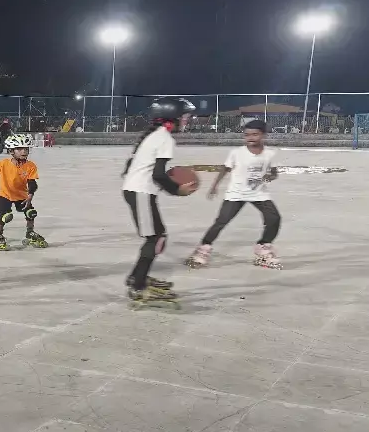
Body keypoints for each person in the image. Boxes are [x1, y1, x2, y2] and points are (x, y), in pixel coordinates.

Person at [121, 97, 199, 306]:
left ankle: (137, 278)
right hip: (141, 191)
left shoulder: (156, 135)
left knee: (157, 237)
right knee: (156, 239)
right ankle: (138, 287)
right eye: (185, 116)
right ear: (173, 117)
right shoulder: (165, 138)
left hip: (138, 191)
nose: (187, 120)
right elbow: (158, 174)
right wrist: (178, 190)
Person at [186, 120, 282, 270]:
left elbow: (274, 172)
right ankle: (203, 249)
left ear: (263, 135)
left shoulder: (270, 154)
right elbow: (225, 169)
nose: (250, 138)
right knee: (221, 221)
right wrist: (214, 186)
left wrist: (270, 176)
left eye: (255, 134)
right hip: (236, 193)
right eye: (247, 135)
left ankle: (263, 247)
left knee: (274, 218)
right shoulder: (237, 153)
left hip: (258, 193)